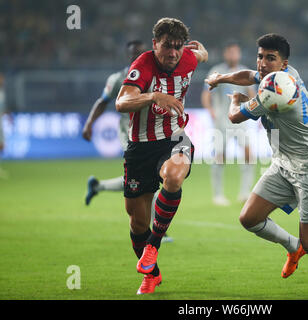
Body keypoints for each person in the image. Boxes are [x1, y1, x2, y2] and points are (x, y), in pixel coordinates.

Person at [205, 33, 308, 294]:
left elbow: (235, 117)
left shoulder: (276, 93)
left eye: (270, 58)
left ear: (283, 63)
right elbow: (250, 75)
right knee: (249, 218)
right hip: (284, 163)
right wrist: (223, 79)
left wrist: (235, 100)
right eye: (260, 56)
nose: (262, 63)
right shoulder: (281, 74)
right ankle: (291, 246)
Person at [115, 17, 208, 294]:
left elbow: (201, 54)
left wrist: (203, 52)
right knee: (137, 220)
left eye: (178, 47)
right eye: (167, 46)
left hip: (174, 139)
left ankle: (153, 246)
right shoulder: (143, 65)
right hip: (140, 148)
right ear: (155, 44)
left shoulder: (188, 58)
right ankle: (152, 275)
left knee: (174, 175)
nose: (173, 53)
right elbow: (122, 102)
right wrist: (154, 96)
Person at [82, 40, 174, 242]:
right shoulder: (118, 79)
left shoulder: (156, 73)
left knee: (140, 178)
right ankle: (157, 230)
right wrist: (89, 124)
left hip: (153, 133)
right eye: (134, 54)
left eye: (140, 53)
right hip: (130, 133)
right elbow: (102, 102)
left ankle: (98, 187)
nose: (137, 57)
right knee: (147, 175)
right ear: (129, 55)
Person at [201, 41, 256, 205]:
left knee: (248, 156)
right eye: (230, 52)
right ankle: (218, 195)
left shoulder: (245, 72)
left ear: (239, 54)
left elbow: (252, 94)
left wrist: (254, 111)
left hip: (241, 121)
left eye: (236, 52)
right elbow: (206, 94)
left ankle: (245, 193)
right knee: (220, 157)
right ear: (225, 54)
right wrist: (210, 110)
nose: (233, 55)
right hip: (222, 122)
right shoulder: (217, 72)